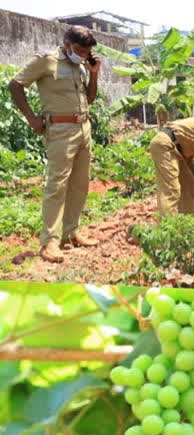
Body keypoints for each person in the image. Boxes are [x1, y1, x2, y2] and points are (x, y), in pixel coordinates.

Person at [8, 27, 102, 263]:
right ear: (67, 43)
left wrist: (94, 73)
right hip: (60, 131)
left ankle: (70, 233)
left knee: (80, 184)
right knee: (56, 186)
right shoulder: (46, 61)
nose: (83, 55)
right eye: (80, 50)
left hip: (84, 128)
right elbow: (16, 84)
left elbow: (90, 99)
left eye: (87, 52)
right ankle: (49, 242)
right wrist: (31, 118)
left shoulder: (81, 64)